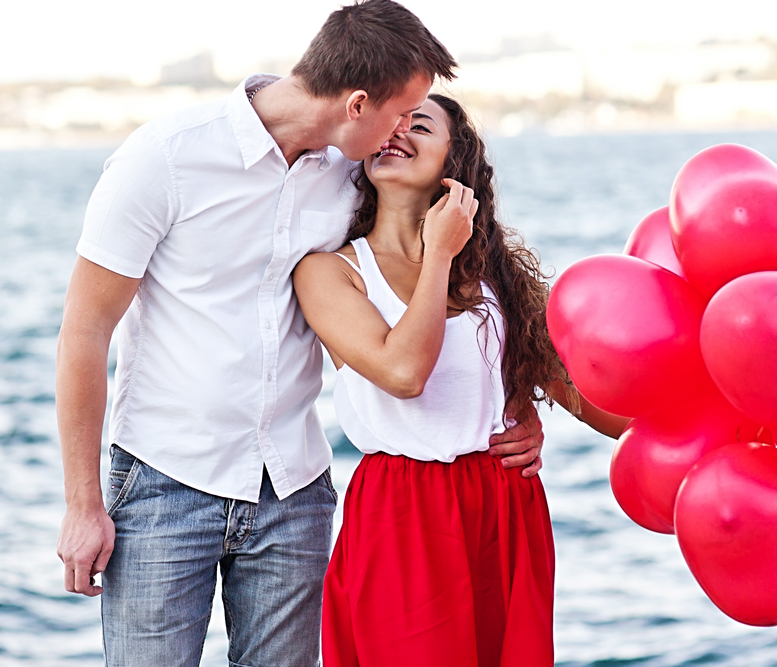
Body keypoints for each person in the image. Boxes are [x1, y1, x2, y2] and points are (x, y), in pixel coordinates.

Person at [54, 3, 543, 666]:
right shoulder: (165, 158)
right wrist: (83, 505)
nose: (402, 133)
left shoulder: (352, 169)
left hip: (293, 493)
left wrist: (512, 409)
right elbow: (84, 330)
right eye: (401, 114)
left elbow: (434, 270)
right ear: (358, 104)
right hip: (166, 483)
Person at [294, 94, 628, 667]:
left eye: (418, 125)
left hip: (504, 503)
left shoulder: (495, 276)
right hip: (403, 510)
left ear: (456, 163)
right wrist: (438, 255)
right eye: (389, 123)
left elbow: (586, 396)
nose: (396, 131)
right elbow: (404, 373)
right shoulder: (329, 271)